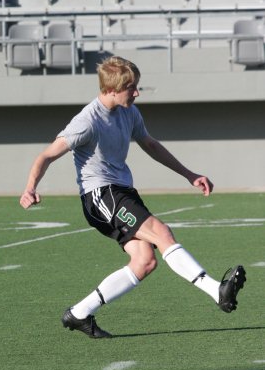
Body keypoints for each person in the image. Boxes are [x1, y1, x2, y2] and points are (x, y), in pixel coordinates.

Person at [19, 56, 246, 339]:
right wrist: (30, 187)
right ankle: (217, 291)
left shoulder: (129, 112)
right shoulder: (86, 122)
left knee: (145, 261)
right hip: (101, 196)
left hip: (122, 192)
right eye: (131, 88)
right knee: (162, 233)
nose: (137, 93)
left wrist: (189, 174)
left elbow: (150, 144)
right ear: (112, 89)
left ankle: (78, 314)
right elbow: (46, 155)